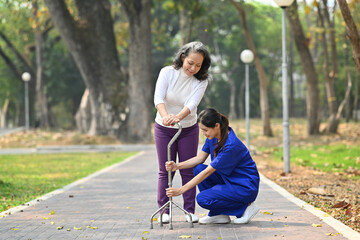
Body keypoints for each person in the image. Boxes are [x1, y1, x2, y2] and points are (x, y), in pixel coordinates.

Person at [165, 108, 260, 224]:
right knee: (198, 168)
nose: (203, 133)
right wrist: (177, 166)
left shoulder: (230, 145)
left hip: (244, 186)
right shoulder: (213, 137)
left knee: (202, 199)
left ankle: (245, 208)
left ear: (216, 126)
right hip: (229, 179)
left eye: (205, 130)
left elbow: (208, 172)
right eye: (201, 130)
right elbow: (199, 159)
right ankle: (218, 214)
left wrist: (181, 190)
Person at [153, 41, 211, 223]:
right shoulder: (167, 73)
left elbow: (192, 104)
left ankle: (189, 210)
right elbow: (158, 97)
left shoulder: (201, 81)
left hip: (188, 129)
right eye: (190, 63)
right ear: (182, 57)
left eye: (198, 65)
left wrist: (178, 117)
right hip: (164, 128)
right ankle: (164, 211)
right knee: (166, 170)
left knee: (187, 169)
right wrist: (165, 117)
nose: (193, 68)